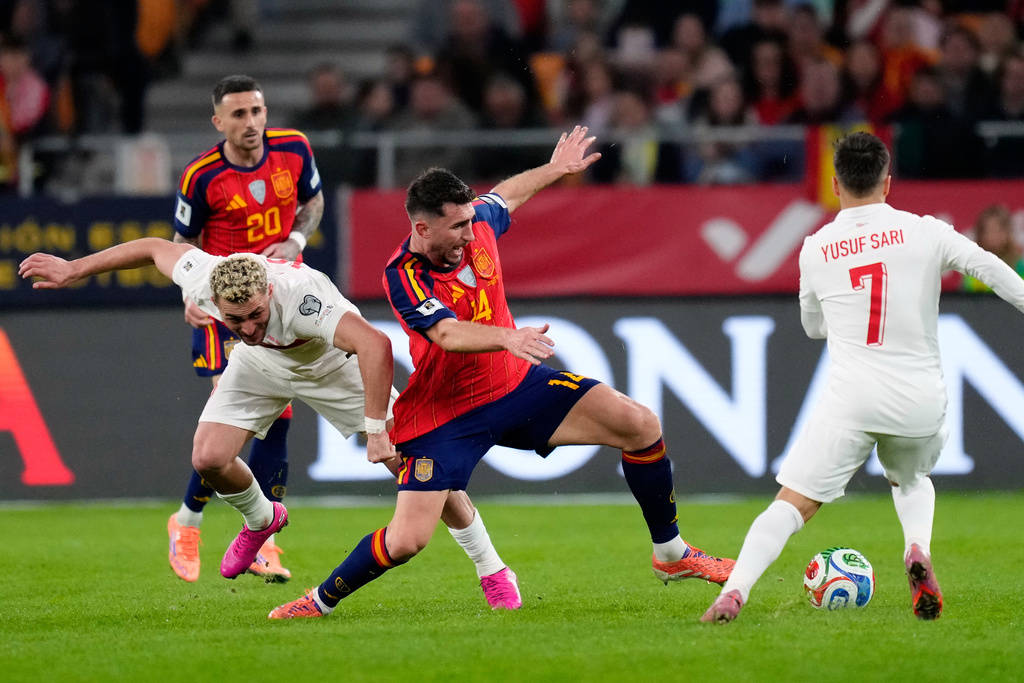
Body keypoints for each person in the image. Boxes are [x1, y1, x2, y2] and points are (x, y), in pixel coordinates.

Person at [268, 125, 735, 620]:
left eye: (471, 222)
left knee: (640, 424)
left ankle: (672, 555)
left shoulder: (478, 224)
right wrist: (508, 337)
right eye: (457, 227)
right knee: (407, 540)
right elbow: (445, 334)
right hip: (444, 413)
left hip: (514, 386)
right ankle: (318, 601)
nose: (470, 234)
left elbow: (506, 195)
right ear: (423, 229)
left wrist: (555, 170)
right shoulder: (401, 273)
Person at [19, 239, 524, 609]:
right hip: (259, 367)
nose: (250, 327)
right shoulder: (208, 279)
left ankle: (493, 570)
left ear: (268, 292)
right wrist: (74, 268)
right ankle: (263, 519)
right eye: (236, 321)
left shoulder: (303, 298)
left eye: (256, 316)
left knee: (416, 466)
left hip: (333, 367)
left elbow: (376, 345)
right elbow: (154, 248)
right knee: (208, 458)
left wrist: (376, 428)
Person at [701, 132, 1024, 624]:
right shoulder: (925, 231)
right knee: (912, 478)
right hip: (919, 399)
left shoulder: (816, 247)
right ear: (887, 183)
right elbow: (990, 268)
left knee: (792, 506)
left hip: (851, 401)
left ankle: (734, 593)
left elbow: (813, 327)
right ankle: (916, 549)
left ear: (835, 183)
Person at [168, 74, 325, 584]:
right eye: (238, 114)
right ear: (219, 122)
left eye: (256, 111)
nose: (251, 123)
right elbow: (180, 243)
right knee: (229, 423)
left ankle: (264, 540)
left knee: (278, 418)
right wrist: (189, 296)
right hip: (223, 308)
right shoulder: (201, 175)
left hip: (273, 303)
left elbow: (313, 202)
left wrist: (298, 238)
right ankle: (187, 523)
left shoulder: (295, 149)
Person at [961, 204, 1024, 292]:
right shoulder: (972, 269)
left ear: (1008, 232)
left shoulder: (1021, 267)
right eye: (989, 231)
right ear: (980, 235)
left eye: (998, 230)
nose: (993, 236)